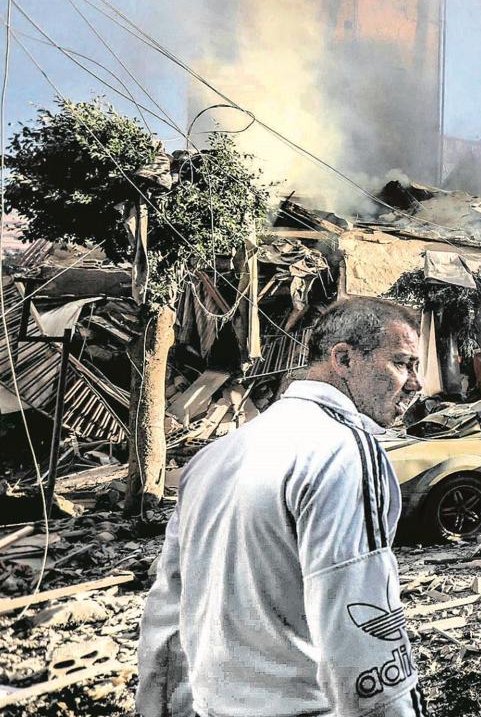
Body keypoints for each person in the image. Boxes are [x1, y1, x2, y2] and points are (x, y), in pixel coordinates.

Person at [137, 297, 427, 716]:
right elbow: (361, 629)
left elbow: (167, 616)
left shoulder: (213, 457)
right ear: (343, 359)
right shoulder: (344, 451)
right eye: (402, 363)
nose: (416, 384)